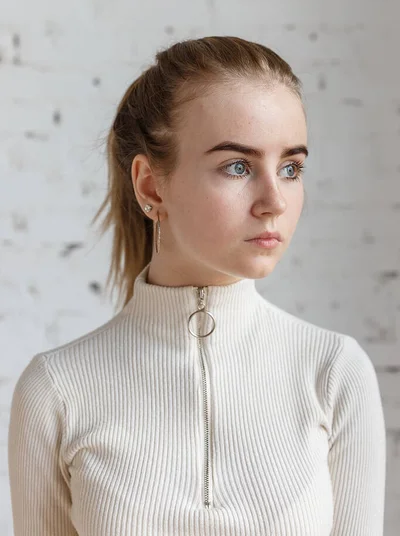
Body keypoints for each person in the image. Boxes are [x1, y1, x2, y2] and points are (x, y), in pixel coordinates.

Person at [8, 36, 386, 535]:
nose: (274, 199)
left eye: (291, 168)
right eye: (238, 166)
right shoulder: (57, 392)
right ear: (150, 185)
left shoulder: (334, 374)